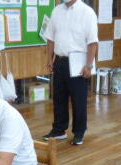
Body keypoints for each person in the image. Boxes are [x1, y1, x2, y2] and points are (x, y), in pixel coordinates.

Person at [42, 0, 98, 146]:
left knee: (78, 100)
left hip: (79, 62)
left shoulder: (87, 12)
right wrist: (49, 59)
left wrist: (89, 65)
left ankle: (79, 132)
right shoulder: (56, 10)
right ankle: (59, 130)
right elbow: (50, 38)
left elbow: (93, 42)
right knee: (59, 97)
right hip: (60, 59)